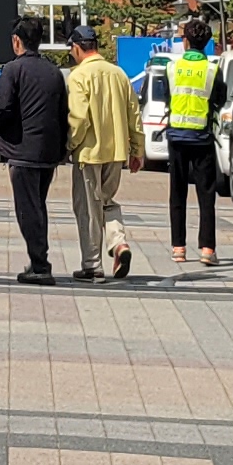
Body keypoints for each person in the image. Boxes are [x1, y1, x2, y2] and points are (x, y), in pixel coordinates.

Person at [0, 15, 71, 287]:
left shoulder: (12, 70)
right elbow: (63, 112)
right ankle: (38, 260)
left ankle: (40, 265)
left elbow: (3, 107)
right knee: (38, 206)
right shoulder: (54, 72)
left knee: (27, 209)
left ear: (16, 41)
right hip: (49, 151)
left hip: (23, 151)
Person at [61, 24, 139, 280]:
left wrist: (69, 145)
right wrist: (137, 150)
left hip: (88, 153)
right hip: (116, 152)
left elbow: (79, 118)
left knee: (87, 209)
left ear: (76, 48)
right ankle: (118, 242)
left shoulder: (78, 76)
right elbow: (134, 114)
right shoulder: (119, 74)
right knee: (107, 201)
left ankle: (92, 264)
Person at [162, 14, 229, 264]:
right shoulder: (212, 69)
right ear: (206, 43)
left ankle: (178, 248)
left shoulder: (172, 68)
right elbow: (220, 99)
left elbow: (167, 97)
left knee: (177, 192)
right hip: (202, 136)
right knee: (206, 194)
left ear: (186, 41)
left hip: (177, 136)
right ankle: (207, 249)